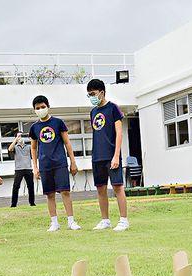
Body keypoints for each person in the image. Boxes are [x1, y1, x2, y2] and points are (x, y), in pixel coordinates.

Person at [29, 95, 81, 232]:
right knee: (50, 194)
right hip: (45, 165)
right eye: (37, 108)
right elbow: (33, 148)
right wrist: (35, 167)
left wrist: (73, 162)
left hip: (60, 163)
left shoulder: (58, 123)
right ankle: (54, 222)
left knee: (65, 192)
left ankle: (71, 221)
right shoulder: (34, 127)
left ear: (48, 106)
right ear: (34, 110)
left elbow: (67, 143)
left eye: (43, 107)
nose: (40, 109)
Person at [87, 79, 129, 231]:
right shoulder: (93, 112)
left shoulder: (113, 109)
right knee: (100, 189)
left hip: (112, 155)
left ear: (102, 92)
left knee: (118, 187)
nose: (91, 97)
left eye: (93, 93)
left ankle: (124, 220)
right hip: (97, 156)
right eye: (88, 95)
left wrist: (116, 155)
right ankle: (105, 220)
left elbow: (119, 133)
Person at [8, 131, 35, 207]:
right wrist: (16, 139)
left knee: (30, 186)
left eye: (21, 136)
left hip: (28, 168)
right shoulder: (15, 147)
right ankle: (13, 204)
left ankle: (32, 203)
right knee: (16, 186)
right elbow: (10, 149)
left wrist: (31, 138)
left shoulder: (28, 146)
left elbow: (35, 147)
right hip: (18, 169)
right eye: (19, 136)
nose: (20, 138)